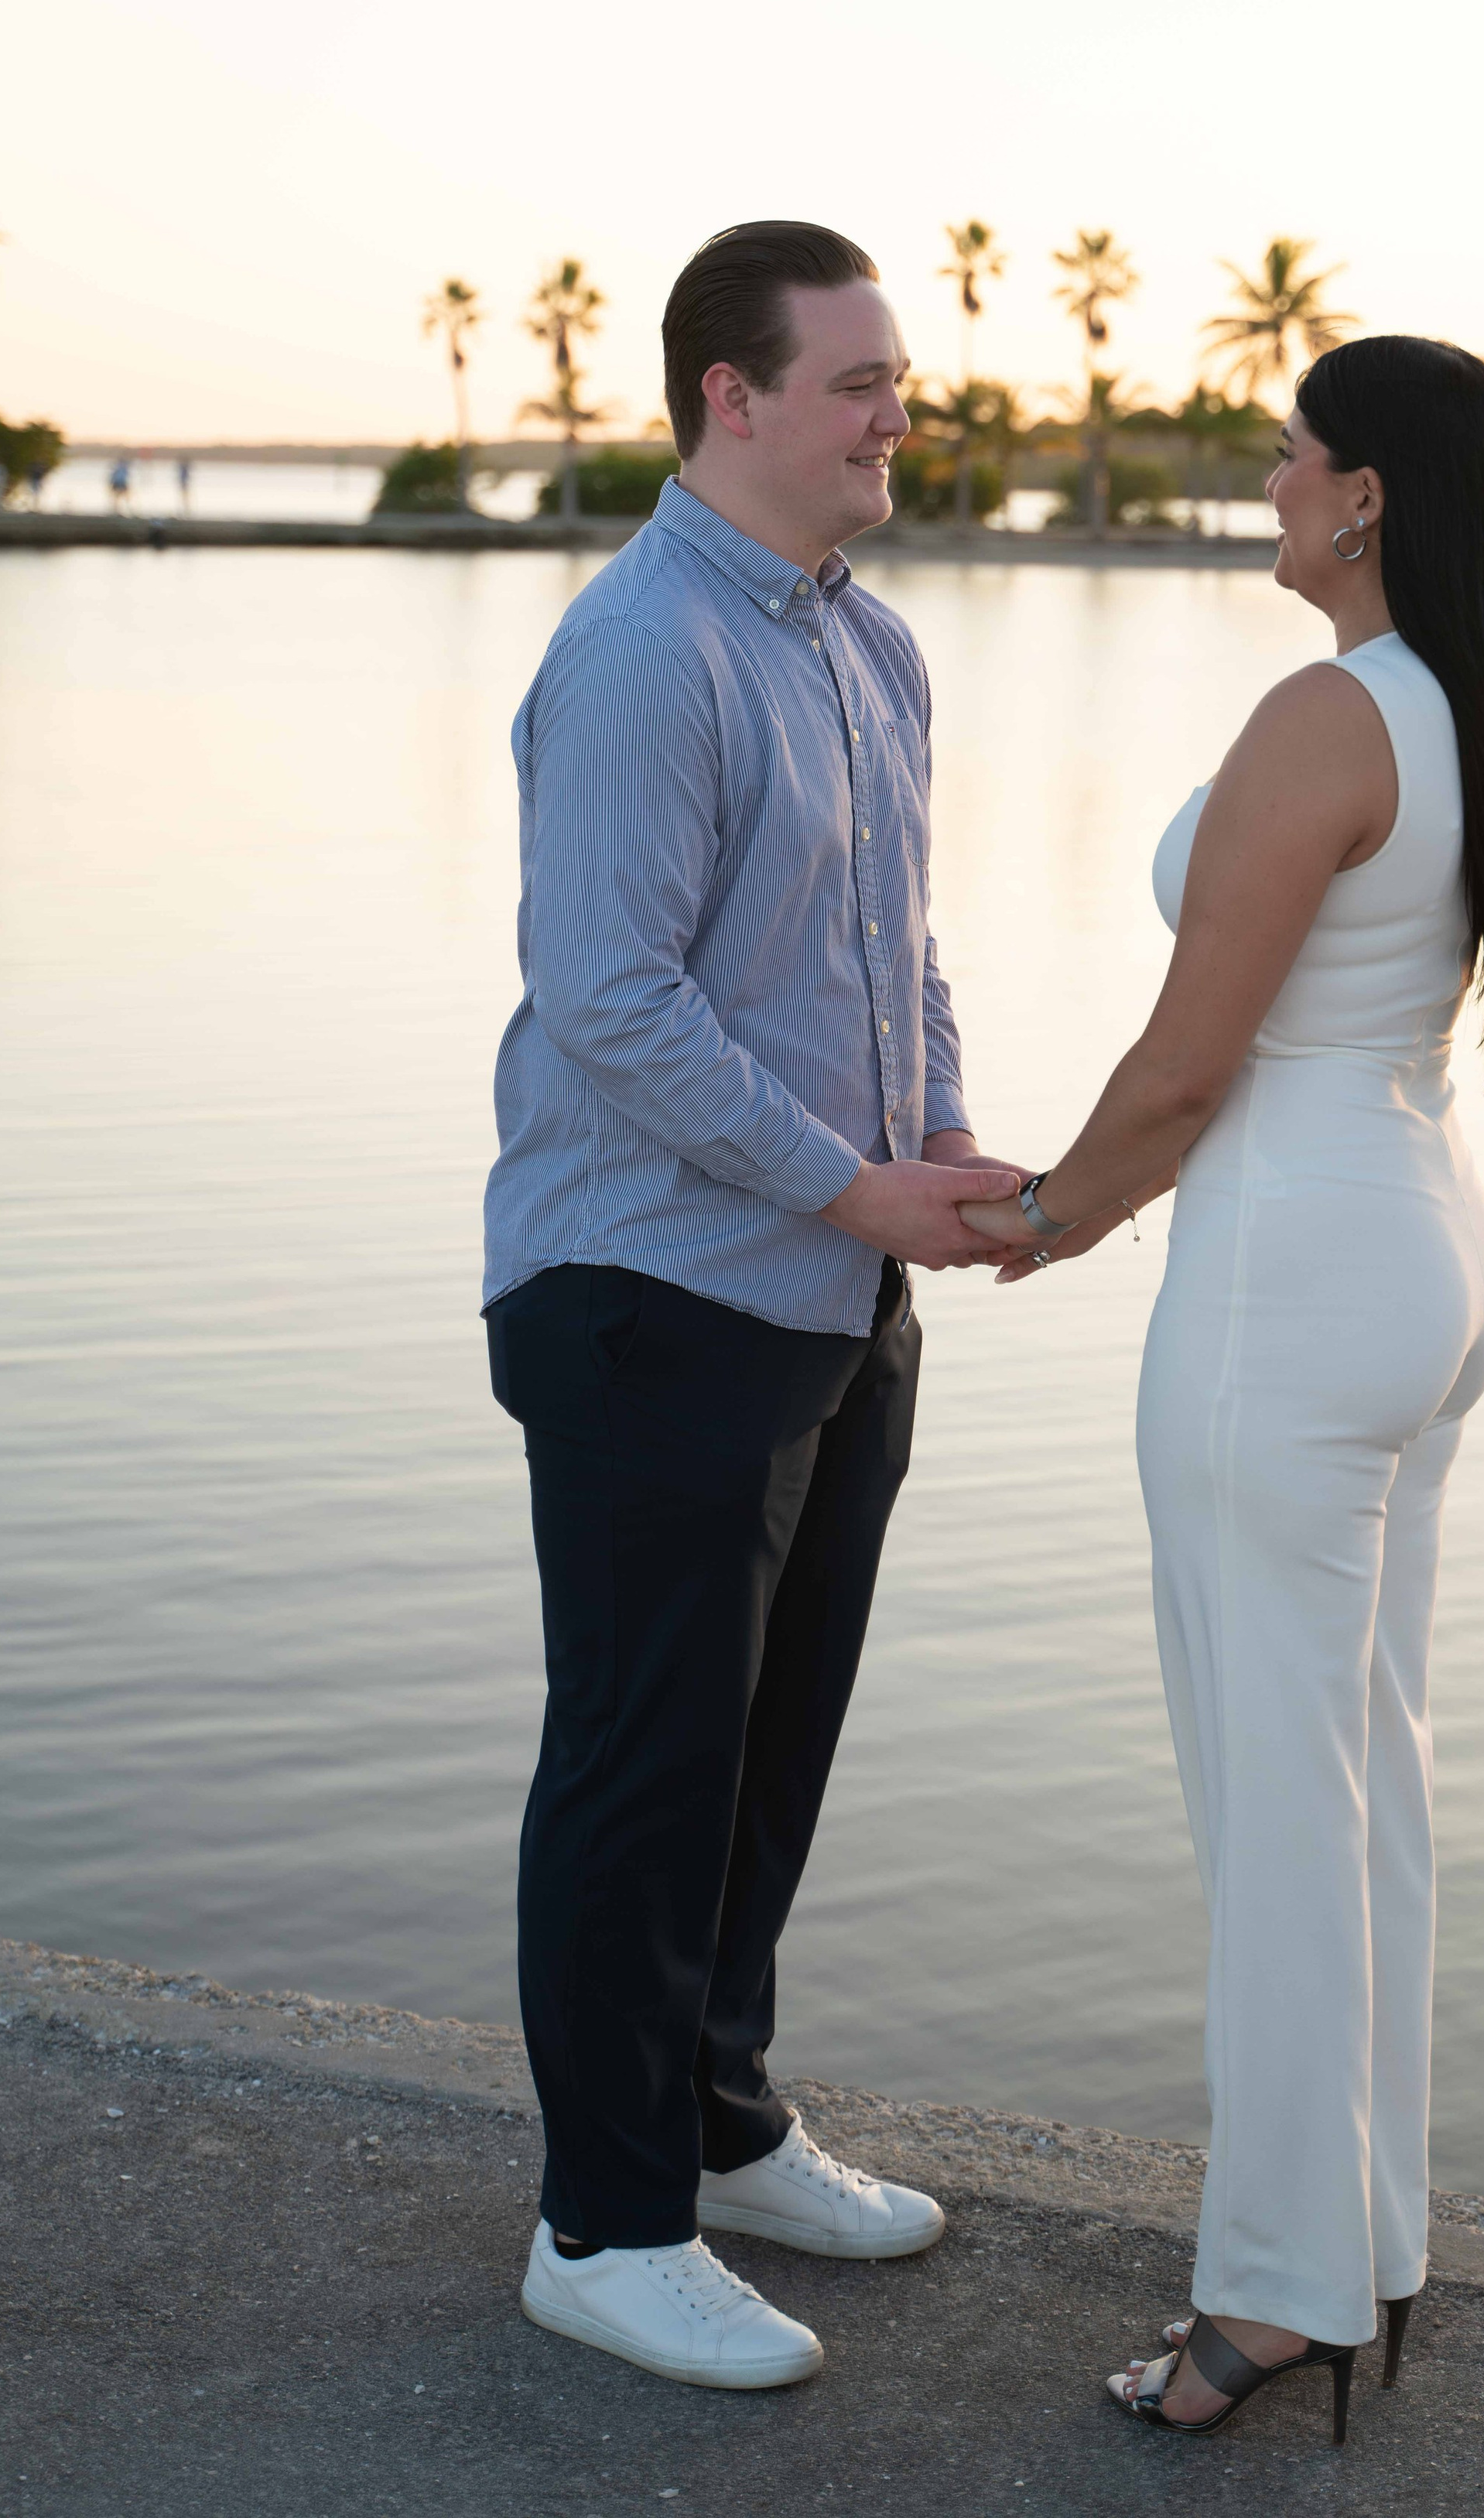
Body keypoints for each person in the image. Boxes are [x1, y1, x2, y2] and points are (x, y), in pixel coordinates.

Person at [964, 336, 1484, 2441]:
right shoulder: (1459, 698)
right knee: (1363, 1786)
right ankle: (1368, 2247)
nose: (1264, 473)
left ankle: (1268, 2302)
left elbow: (1184, 1063)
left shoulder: (1328, 712)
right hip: (1421, 1246)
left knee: (1275, 1807)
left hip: (1292, 1281)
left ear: (1366, 497)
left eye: (1292, 450)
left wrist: (1036, 1219)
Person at [481, 221, 1022, 2392]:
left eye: (901, 382)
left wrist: (947, 1159)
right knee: (643, 1766)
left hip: (831, 1288)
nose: (901, 416)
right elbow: (607, 1002)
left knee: (766, 1751)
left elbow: (891, 950)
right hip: (652, 1293)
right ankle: (599, 2227)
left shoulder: (868, 650)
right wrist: (848, 1185)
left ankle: (712, 2126)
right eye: (862, 383)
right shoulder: (643, 654)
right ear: (733, 395)